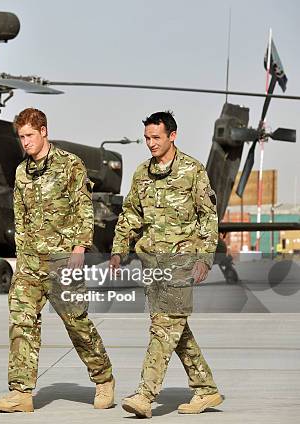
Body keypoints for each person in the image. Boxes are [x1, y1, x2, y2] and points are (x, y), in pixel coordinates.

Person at [0, 108, 115, 413]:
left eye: (30, 135)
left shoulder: (71, 165)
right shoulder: (21, 172)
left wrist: (80, 248)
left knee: (77, 324)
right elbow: (21, 218)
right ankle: (21, 392)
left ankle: (104, 379)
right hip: (30, 263)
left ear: (44, 132)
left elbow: (85, 209)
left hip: (63, 262)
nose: (25, 142)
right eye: (21, 137)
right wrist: (21, 257)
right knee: (22, 322)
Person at [110, 111, 223, 418]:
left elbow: (208, 217)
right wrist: (119, 249)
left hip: (181, 262)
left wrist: (205, 257)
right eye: (147, 138)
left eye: (156, 137)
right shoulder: (141, 173)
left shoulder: (192, 170)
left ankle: (145, 395)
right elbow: (130, 214)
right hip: (152, 264)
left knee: (163, 328)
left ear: (172, 135)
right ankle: (207, 389)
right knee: (175, 328)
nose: (150, 143)